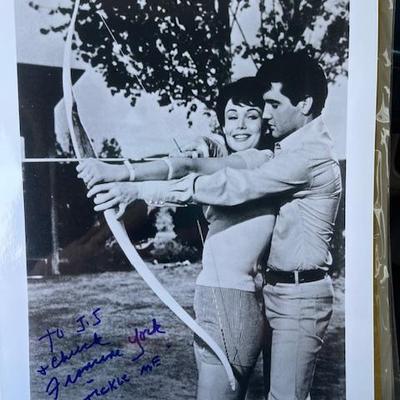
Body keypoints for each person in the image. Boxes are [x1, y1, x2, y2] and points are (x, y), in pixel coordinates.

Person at [85, 52, 342, 400]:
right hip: (265, 292)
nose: (262, 117)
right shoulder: (279, 151)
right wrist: (127, 172)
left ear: (304, 104)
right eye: (232, 116)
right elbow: (195, 164)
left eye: (266, 108)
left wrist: (133, 186)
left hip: (276, 297)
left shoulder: (297, 156)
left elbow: (233, 183)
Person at [77, 77, 277, 400]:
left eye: (251, 116)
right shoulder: (232, 165)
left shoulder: (260, 160)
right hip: (217, 299)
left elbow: (187, 166)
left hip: (232, 305)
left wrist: (120, 174)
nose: (240, 125)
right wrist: (201, 144)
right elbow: (195, 166)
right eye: (232, 117)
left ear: (264, 122)